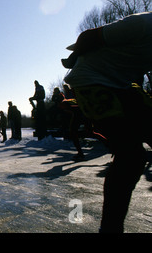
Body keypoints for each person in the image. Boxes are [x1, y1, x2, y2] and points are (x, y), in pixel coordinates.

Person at [62, 12, 152, 233]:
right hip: (90, 80)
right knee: (131, 155)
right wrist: (74, 58)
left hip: (122, 84)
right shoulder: (143, 24)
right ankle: (111, 228)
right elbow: (87, 37)